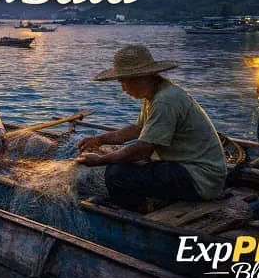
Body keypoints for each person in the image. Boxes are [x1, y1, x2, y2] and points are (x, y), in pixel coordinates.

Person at [76, 45, 227, 212]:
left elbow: (143, 150)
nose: (123, 89)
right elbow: (137, 129)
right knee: (126, 163)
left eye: (124, 81)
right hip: (188, 170)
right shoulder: (155, 95)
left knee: (117, 174)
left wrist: (100, 160)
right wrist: (100, 140)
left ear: (140, 78)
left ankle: (145, 210)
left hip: (201, 179)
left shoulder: (165, 100)